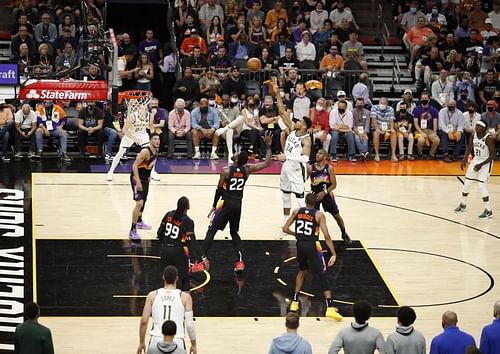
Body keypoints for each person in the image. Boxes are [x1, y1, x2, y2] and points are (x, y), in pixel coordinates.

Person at [203, 132, 273, 272]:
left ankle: (201, 259)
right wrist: (269, 146)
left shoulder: (226, 171)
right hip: (238, 204)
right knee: (234, 232)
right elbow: (268, 162)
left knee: (211, 230)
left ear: (236, 159)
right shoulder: (247, 170)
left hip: (225, 203)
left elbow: (219, 190)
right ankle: (240, 262)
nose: (236, 153)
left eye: (237, 153)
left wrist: (213, 206)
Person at [282, 192, 343, 320]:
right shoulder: (318, 214)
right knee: (322, 274)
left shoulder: (297, 211)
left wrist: (296, 234)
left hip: (300, 245)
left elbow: (285, 229)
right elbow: (326, 236)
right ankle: (330, 308)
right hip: (313, 246)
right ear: (315, 202)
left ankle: (294, 302)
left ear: (305, 202)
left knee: (302, 271)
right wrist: (333, 253)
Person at [273, 79, 312, 237]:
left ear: (304, 126)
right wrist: (277, 93)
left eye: (300, 121)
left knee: (300, 198)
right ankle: (285, 222)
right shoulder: (291, 129)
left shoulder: (306, 139)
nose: (297, 121)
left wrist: (287, 156)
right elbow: (282, 112)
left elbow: (305, 159)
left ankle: (306, 223)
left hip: (297, 168)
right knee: (285, 194)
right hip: (287, 165)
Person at [137, 266, 197, 354]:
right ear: (177, 278)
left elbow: (144, 321)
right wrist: (193, 345)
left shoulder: (152, 295)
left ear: (163, 277)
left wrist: (142, 342)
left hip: (156, 339)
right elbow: (190, 325)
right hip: (177, 340)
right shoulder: (185, 297)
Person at [157, 196, 209, 291]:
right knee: (184, 279)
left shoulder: (168, 215)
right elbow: (191, 241)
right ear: (188, 207)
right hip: (178, 251)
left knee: (167, 279)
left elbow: (159, 233)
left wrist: (165, 243)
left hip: (165, 250)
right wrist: (202, 257)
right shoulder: (188, 221)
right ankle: (186, 304)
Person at [106, 97, 160, 182]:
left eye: (145, 108)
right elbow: (124, 130)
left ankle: (152, 172)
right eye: (142, 108)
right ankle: (110, 172)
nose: (144, 110)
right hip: (130, 135)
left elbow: (150, 126)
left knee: (152, 153)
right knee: (120, 153)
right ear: (138, 109)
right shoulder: (132, 117)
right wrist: (134, 139)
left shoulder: (150, 116)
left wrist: (153, 137)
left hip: (142, 135)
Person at [454, 120, 495, 219]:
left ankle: (488, 210)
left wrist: (481, 164)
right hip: (476, 160)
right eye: (476, 125)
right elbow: (469, 148)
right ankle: (463, 204)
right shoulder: (473, 135)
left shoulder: (488, 139)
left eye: (479, 126)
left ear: (484, 129)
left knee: (481, 186)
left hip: (486, 162)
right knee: (467, 183)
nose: (476, 127)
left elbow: (493, 155)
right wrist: (464, 159)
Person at [309, 149, 351, 245]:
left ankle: (344, 233)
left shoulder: (329, 168)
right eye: (317, 152)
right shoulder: (311, 168)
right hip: (315, 195)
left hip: (327, 195)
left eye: (320, 153)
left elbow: (334, 185)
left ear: (324, 157)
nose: (317, 154)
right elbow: (303, 179)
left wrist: (324, 192)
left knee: (336, 215)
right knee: (314, 218)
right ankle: (315, 238)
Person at [129, 133, 160, 240]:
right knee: (139, 203)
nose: (157, 141)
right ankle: (132, 229)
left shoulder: (156, 151)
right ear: (150, 141)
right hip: (136, 178)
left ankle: (139, 221)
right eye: (155, 139)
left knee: (144, 200)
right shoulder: (145, 151)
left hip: (145, 178)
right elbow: (134, 165)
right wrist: (137, 181)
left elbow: (150, 165)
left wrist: (149, 175)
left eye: (158, 139)